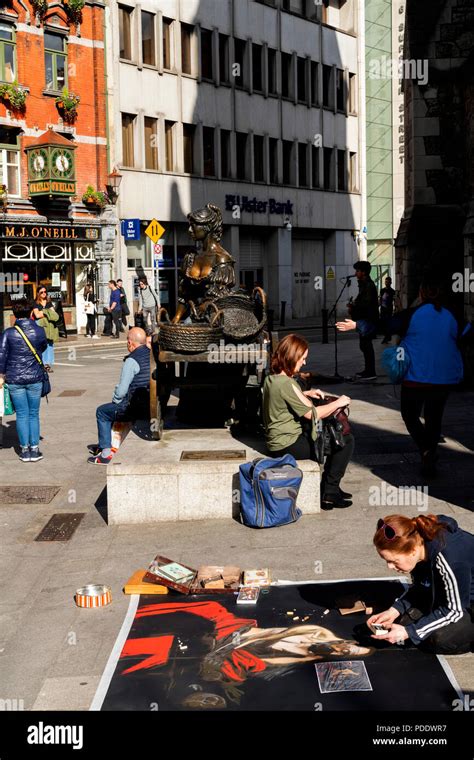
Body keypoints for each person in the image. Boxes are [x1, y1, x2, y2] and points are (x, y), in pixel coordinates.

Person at [262, 334, 354, 509]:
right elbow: (313, 414)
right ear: (292, 357)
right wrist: (339, 402)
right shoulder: (286, 384)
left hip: (277, 441)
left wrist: (306, 394)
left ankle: (330, 487)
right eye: (302, 359)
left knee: (333, 436)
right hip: (287, 445)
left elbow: (281, 397)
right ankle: (329, 492)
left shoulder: (272, 378)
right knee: (345, 440)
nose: (304, 363)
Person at [368, 514, 474, 655]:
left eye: (394, 561)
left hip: (466, 605)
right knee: (404, 624)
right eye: (386, 560)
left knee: (438, 639)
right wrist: (394, 610)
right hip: (451, 596)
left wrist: (410, 632)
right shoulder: (419, 542)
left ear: (412, 551)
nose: (390, 566)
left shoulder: (450, 559)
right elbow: (422, 586)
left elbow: (455, 611)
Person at [390, 276, 463, 476]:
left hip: (416, 377)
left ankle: (426, 450)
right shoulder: (452, 315)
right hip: (443, 379)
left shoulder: (413, 314)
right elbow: (465, 335)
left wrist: (358, 324)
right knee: (434, 419)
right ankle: (429, 454)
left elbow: (388, 325)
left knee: (410, 415)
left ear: (421, 293)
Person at [88, 327, 150, 465]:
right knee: (113, 409)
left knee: (102, 412)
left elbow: (121, 391)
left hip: (135, 407)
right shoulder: (151, 354)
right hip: (149, 403)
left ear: (130, 343)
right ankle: (107, 441)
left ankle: (105, 453)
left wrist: (115, 400)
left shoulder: (131, 360)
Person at [0, 298, 48, 462]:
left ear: (14, 314)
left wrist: (1, 375)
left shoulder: (8, 333)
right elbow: (43, 348)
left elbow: (2, 355)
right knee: (33, 414)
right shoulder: (40, 331)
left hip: (14, 378)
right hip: (35, 377)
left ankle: (24, 450)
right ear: (30, 313)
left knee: (21, 414)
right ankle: (35, 449)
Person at [337, 261, 379, 380]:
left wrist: (354, 307)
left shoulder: (368, 285)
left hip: (368, 321)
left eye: (358, 271)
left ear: (363, 272)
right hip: (364, 320)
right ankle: (368, 370)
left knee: (366, 345)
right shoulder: (363, 284)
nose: (355, 273)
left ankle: (370, 372)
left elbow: (366, 304)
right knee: (364, 345)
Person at [32, 285, 59, 372]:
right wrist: (47, 312)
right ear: (38, 293)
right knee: (42, 344)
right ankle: (42, 363)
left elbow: (54, 315)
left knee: (49, 345)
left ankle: (47, 364)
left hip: (49, 327)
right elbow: (37, 315)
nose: (44, 294)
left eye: (45, 292)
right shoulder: (35, 303)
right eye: (41, 292)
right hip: (40, 326)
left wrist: (43, 312)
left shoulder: (48, 302)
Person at [379, 276, 395, 344]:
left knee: (387, 323)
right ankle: (387, 336)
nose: (386, 283)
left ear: (390, 283)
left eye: (388, 282)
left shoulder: (392, 291)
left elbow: (394, 300)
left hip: (388, 310)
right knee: (383, 324)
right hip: (383, 309)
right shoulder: (382, 290)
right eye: (386, 282)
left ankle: (387, 337)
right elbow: (380, 299)